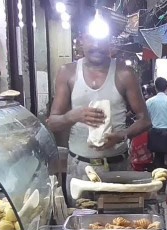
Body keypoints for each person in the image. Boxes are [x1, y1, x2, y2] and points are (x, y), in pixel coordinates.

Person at [47, 32, 151, 201]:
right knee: (81, 220)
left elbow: (145, 120)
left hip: (116, 166)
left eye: (102, 39)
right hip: (79, 167)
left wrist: (120, 136)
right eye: (91, 38)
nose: (97, 45)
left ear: (110, 42)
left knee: (116, 222)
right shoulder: (67, 72)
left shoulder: (125, 74)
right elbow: (53, 123)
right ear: (81, 41)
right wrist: (73, 116)